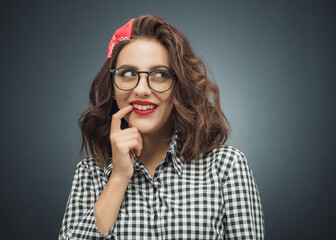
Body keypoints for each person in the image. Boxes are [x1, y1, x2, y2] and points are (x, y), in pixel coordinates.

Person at [58, 15, 264, 239]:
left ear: (179, 86)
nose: (142, 90)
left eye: (160, 75)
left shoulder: (226, 168)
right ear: (112, 87)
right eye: (128, 74)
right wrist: (118, 178)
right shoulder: (90, 173)